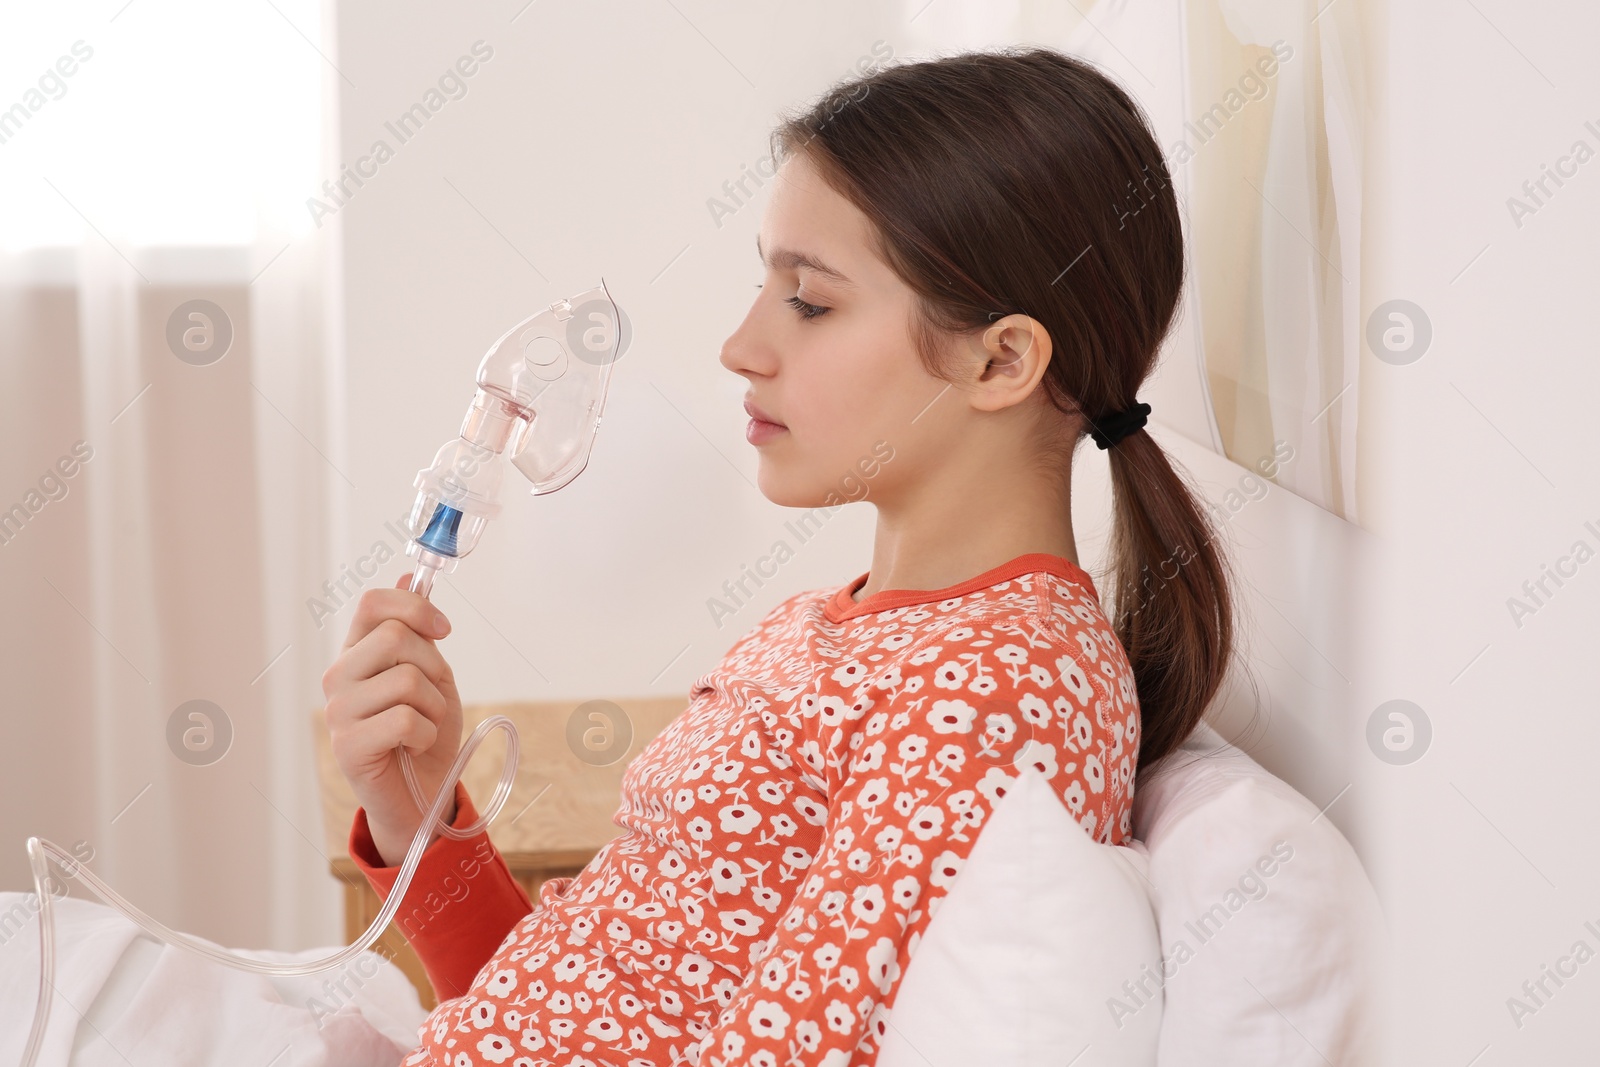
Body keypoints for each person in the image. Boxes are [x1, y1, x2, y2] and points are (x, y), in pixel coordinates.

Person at [321, 45, 1234, 1067]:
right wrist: (422, 821)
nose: (741, 347)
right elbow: (570, 1005)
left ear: (1001, 358)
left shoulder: (994, 688)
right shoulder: (831, 625)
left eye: (809, 301)